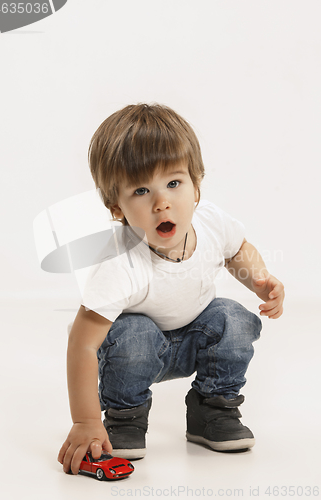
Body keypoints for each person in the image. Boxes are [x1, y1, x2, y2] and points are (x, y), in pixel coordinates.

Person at [58, 103, 285, 475]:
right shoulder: (120, 262)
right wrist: (85, 421)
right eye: (142, 190)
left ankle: (212, 409)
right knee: (135, 331)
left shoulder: (211, 222)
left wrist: (259, 279)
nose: (162, 202)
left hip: (195, 337)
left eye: (174, 183)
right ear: (117, 208)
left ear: (196, 185)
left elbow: (237, 249)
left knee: (233, 317)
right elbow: (82, 343)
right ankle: (125, 415)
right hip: (131, 353)